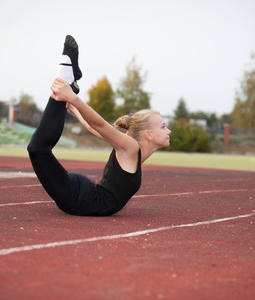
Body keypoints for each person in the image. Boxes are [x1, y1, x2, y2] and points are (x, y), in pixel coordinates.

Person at [27, 35, 171, 216]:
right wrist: (73, 99)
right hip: (78, 197)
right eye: (163, 127)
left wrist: (74, 109)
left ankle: (67, 81)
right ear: (148, 134)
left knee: (39, 149)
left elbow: (92, 128)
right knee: (38, 149)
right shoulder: (131, 148)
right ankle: (64, 76)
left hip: (81, 194)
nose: (169, 131)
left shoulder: (132, 151)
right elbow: (100, 125)